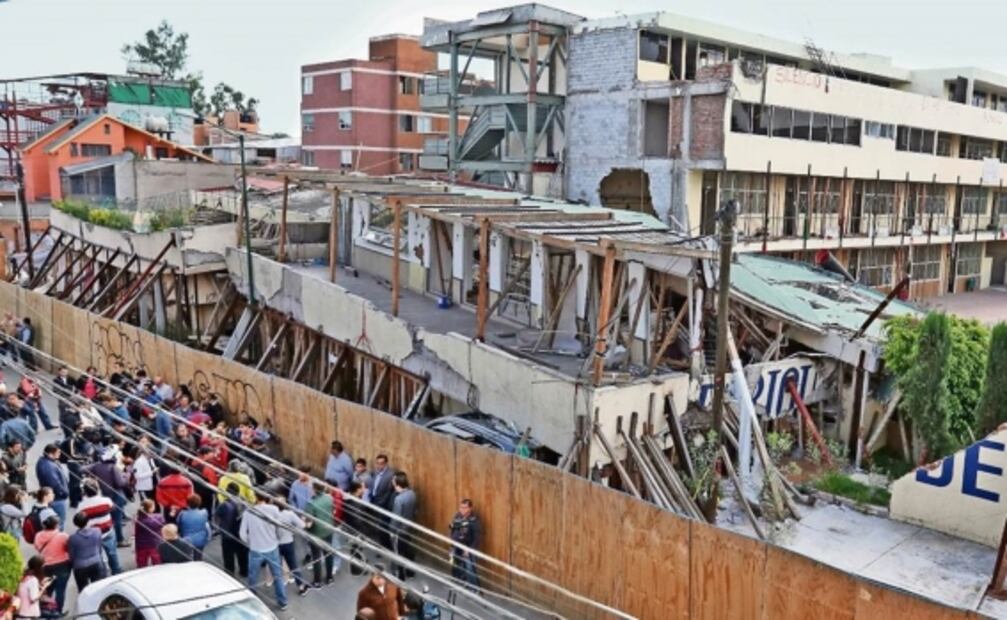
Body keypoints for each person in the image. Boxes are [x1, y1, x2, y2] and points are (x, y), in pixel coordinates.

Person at [239, 492, 288, 611]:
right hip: (272, 547)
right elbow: (280, 528)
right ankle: (282, 602)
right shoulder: (274, 509)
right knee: (278, 576)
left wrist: (250, 542)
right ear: (267, 498)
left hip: (256, 550)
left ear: (256, 497)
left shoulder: (248, 512)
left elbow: (242, 534)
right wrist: (278, 539)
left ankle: (253, 599)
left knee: (253, 576)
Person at [86, 448, 130, 547]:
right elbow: (120, 483)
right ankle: (119, 540)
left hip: (104, 496)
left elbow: (81, 469)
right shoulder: (113, 467)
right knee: (117, 520)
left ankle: (111, 537)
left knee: (109, 518)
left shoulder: (96, 466)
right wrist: (126, 476)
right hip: (117, 496)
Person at [77, 480, 121, 576]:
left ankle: (103, 574)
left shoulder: (81, 506)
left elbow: (80, 518)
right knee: (112, 553)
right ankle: (116, 571)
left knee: (98, 556)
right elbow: (112, 508)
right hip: (107, 530)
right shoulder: (106, 501)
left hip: (92, 534)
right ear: (98, 489)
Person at [33, 516, 70, 615]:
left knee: (48, 590)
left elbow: (37, 547)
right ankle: (58, 612)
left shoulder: (38, 535)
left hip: (46, 567)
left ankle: (47, 611)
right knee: (60, 591)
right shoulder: (63, 536)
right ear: (56, 525)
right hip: (62, 566)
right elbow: (68, 548)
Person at [274, 499, 310, 597]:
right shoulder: (290, 514)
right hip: (288, 542)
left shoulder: (272, 514)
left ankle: (280, 592)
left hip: (275, 544)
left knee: (277, 568)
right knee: (293, 565)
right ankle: (301, 587)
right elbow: (302, 525)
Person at [214, 483, 248, 578]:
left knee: (228, 555)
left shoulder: (224, 505)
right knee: (242, 553)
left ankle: (230, 573)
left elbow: (216, 516)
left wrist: (218, 528)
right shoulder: (244, 503)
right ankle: (244, 571)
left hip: (227, 533)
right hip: (240, 533)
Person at [306, 481, 335, 588]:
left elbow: (309, 523)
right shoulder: (329, 497)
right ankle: (329, 578)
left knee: (316, 557)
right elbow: (333, 511)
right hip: (328, 530)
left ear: (314, 489)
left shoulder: (311, 504)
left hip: (316, 533)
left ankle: (317, 581)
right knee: (328, 554)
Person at [449, 499, 481, 590]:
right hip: (456, 545)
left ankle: (474, 588)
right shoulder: (457, 516)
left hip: (467, 547)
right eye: (461, 507)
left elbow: (477, 537)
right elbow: (453, 528)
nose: (462, 509)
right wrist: (452, 540)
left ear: (470, 508)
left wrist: (469, 549)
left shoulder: (474, 520)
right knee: (455, 563)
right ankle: (459, 580)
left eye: (464, 507)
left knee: (470, 567)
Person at [68, 512, 104, 591]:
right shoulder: (97, 531)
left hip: (80, 565)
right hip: (96, 561)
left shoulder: (73, 538)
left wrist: (72, 564)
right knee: (98, 588)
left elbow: (72, 554)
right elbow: (99, 545)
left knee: (83, 589)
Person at [391, 473, 417, 581]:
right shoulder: (412, 494)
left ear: (398, 484)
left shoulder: (399, 499)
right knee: (408, 550)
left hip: (399, 530)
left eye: (393, 483)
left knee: (399, 553)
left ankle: (400, 576)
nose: (392, 485)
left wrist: (392, 531)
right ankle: (410, 572)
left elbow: (396, 518)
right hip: (409, 527)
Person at [34, 445, 68, 528]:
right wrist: (64, 493)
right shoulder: (48, 466)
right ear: (50, 454)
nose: (60, 454)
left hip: (54, 497)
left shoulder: (46, 462)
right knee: (59, 523)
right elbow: (55, 484)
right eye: (58, 452)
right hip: (57, 498)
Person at [369, 455, 395, 548]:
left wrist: (381, 503)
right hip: (374, 501)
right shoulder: (375, 472)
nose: (379, 466)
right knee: (377, 524)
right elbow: (373, 484)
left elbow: (389, 492)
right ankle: (380, 543)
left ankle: (384, 546)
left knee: (383, 526)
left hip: (383, 504)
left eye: (381, 464)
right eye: (377, 463)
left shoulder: (390, 475)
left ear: (386, 464)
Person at [176, 494, 211, 560]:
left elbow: (178, 524)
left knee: (186, 558)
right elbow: (207, 527)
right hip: (201, 539)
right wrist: (208, 537)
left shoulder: (182, 514)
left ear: (187, 503)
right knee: (198, 557)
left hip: (186, 539)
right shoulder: (204, 512)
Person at [134, 499, 164, 568]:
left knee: (141, 562)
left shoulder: (138, 519)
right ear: (150, 508)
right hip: (155, 543)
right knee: (157, 561)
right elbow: (163, 524)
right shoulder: (158, 517)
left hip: (141, 544)